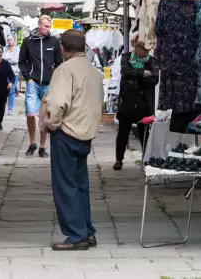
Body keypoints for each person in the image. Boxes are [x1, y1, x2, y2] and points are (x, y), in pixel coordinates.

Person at [39, 30, 103, 251]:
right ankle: (86, 231)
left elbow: (57, 103)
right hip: (86, 134)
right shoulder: (93, 71)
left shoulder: (65, 70)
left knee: (65, 186)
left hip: (66, 132)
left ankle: (76, 235)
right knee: (80, 185)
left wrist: (51, 124)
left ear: (63, 49)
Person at [19, 15, 63, 158]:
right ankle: (32, 142)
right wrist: (28, 77)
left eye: (49, 26)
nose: (48, 28)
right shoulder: (28, 42)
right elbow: (22, 61)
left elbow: (59, 62)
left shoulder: (54, 41)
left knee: (44, 116)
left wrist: (54, 79)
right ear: (39, 25)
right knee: (31, 112)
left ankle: (42, 147)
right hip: (34, 82)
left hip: (47, 84)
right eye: (46, 26)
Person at [113, 38, 158, 171]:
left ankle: (146, 159)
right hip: (127, 100)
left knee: (144, 133)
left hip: (143, 101)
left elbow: (154, 79)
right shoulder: (126, 57)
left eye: (146, 51)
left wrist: (137, 78)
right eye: (142, 50)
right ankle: (119, 159)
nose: (144, 53)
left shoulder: (151, 61)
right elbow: (126, 73)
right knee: (123, 132)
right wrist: (143, 73)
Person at [3, 35, 20, 115]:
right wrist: (8, 61)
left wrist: (6, 61)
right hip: (4, 72)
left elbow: (15, 60)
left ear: (14, 41)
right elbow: (2, 59)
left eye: (11, 40)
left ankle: (10, 109)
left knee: (12, 91)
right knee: (3, 89)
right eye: (8, 40)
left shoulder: (17, 49)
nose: (9, 41)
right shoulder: (4, 48)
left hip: (13, 73)